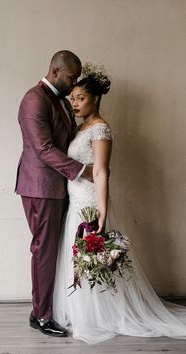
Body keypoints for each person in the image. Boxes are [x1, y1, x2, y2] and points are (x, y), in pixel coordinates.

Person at [53, 63, 186, 344]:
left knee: (92, 258)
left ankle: (100, 314)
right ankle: (83, 312)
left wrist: (102, 212)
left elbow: (101, 171)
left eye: (82, 98)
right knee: (80, 259)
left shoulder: (100, 129)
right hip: (75, 198)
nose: (75, 103)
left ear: (96, 99)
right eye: (73, 97)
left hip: (88, 201)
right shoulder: (81, 127)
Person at [15, 50, 93, 337]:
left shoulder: (55, 100)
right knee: (44, 251)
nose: (74, 84)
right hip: (41, 188)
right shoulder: (34, 100)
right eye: (72, 77)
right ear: (56, 71)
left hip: (57, 186)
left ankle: (49, 309)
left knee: (53, 250)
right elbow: (44, 149)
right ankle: (41, 316)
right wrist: (83, 170)